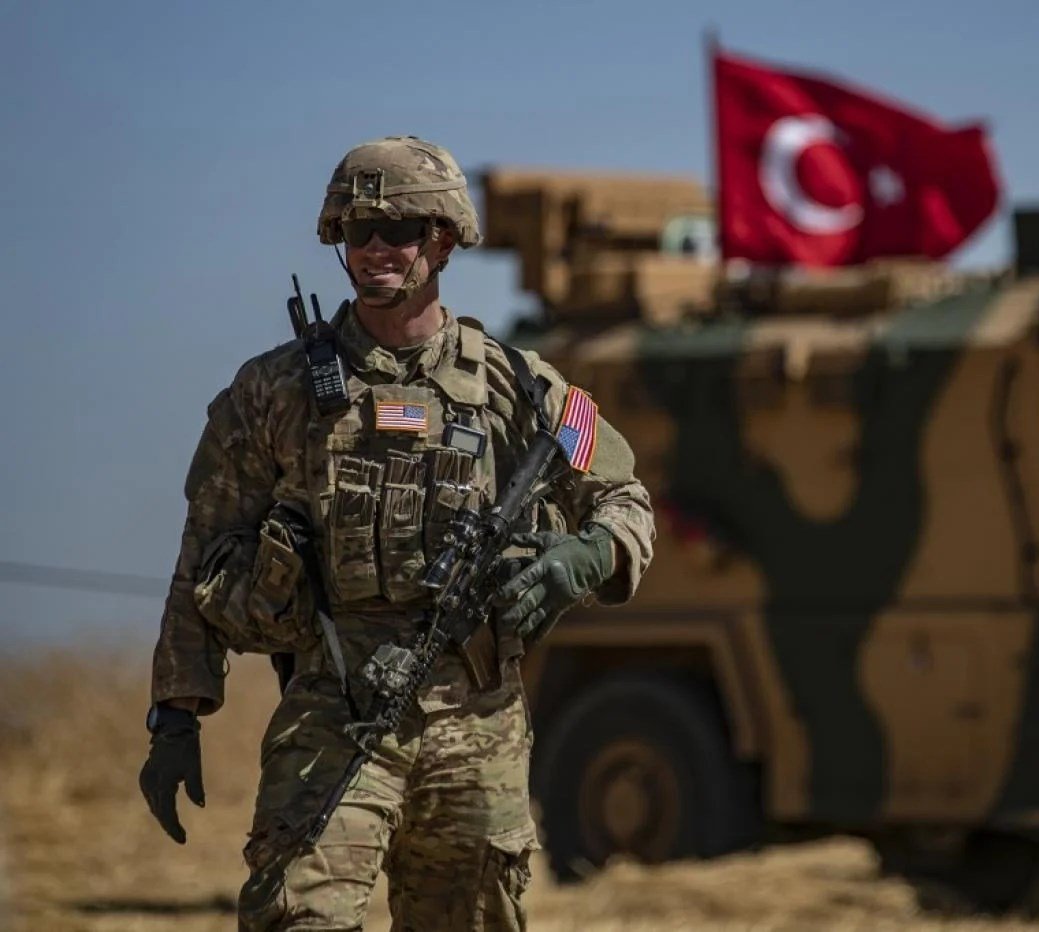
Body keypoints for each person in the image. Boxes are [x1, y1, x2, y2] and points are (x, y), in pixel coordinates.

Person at [138, 136, 655, 930]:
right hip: (334, 706)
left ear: (442, 241)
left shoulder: (518, 385)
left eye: (400, 230)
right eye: (358, 231)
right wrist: (176, 712)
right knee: (299, 916)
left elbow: (624, 497)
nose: (376, 248)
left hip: (476, 720)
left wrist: (583, 557)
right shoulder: (274, 391)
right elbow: (205, 544)